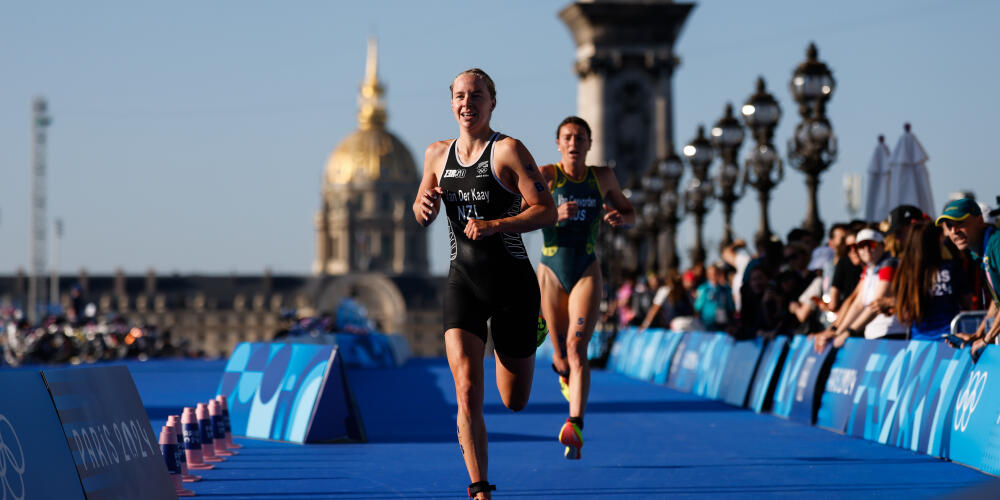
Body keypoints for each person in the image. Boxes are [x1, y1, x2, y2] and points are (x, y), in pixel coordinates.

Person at [412, 68, 557, 499]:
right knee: (467, 390)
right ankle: (479, 490)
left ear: (492, 102)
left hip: (513, 284)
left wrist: (495, 224)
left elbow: (546, 210)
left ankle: (532, 330)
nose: (467, 103)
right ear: (451, 103)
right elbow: (420, 209)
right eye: (460, 96)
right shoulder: (436, 155)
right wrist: (424, 208)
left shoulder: (508, 150)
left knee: (514, 400)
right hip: (464, 283)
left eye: (476, 95)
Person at [536, 115, 634, 460]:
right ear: (558, 144)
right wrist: (554, 214)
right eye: (568, 137)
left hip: (586, 269)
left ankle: (575, 424)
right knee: (561, 356)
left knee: (577, 348)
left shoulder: (602, 177)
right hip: (551, 270)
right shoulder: (547, 175)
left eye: (580, 137)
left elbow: (630, 212)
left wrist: (621, 218)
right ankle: (564, 373)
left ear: (590, 144)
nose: (574, 143)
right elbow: (521, 214)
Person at [814, 228, 906, 352]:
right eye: (861, 246)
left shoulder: (889, 264)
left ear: (882, 245)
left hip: (891, 334)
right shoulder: (869, 269)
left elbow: (875, 305)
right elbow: (857, 304)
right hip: (874, 334)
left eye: (871, 244)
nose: (866, 249)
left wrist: (849, 332)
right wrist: (838, 331)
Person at [936, 198, 1000, 359]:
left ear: (980, 221)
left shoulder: (997, 244)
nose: (954, 231)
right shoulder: (980, 251)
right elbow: (997, 299)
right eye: (949, 226)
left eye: (960, 223)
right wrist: (978, 334)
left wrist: (986, 339)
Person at [891, 220, 972, 340]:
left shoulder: (906, 272)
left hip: (919, 342)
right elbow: (967, 303)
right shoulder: (953, 267)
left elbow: (904, 313)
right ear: (937, 240)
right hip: (950, 340)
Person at [694, 262, 736, 332]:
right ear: (708, 275)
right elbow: (698, 306)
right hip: (708, 323)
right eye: (711, 274)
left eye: (715, 274)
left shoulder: (725, 289)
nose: (713, 276)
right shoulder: (704, 289)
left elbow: (730, 306)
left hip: (723, 323)